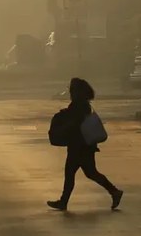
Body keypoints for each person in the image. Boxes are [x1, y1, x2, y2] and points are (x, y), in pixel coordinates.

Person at [47, 78, 124, 211]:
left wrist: (63, 117)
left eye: (72, 90)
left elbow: (75, 121)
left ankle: (64, 201)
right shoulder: (83, 105)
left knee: (74, 173)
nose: (70, 92)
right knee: (89, 173)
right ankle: (114, 192)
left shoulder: (79, 105)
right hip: (84, 145)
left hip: (80, 145)